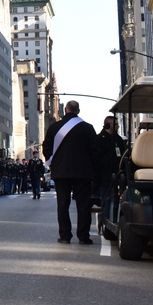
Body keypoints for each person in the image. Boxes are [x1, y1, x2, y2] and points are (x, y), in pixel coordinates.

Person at [41, 100, 99, 245]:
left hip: (61, 172)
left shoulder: (54, 127)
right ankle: (83, 236)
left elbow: (46, 147)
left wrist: (52, 162)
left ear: (65, 110)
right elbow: (95, 150)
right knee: (83, 205)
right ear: (78, 111)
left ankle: (65, 235)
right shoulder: (88, 128)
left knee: (63, 204)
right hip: (82, 172)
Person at [95, 115, 125, 218]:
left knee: (117, 201)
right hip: (105, 177)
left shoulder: (119, 139)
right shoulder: (99, 139)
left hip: (118, 175)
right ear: (107, 125)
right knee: (106, 201)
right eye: (115, 124)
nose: (118, 126)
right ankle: (104, 220)